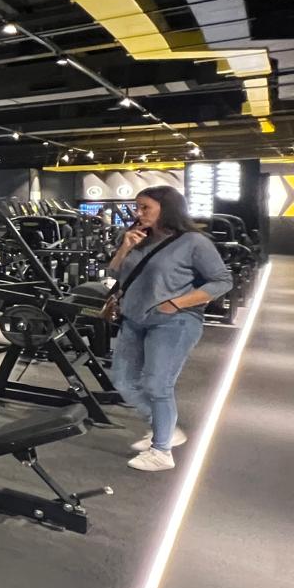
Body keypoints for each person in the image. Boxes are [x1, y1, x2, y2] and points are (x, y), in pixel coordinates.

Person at [104, 185, 232, 471]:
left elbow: (223, 281)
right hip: (134, 318)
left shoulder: (193, 242)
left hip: (174, 322)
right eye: (137, 207)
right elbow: (114, 273)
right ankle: (166, 427)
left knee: (157, 384)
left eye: (145, 207)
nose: (139, 213)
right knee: (123, 381)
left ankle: (162, 451)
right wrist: (125, 248)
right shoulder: (139, 238)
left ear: (167, 209)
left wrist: (177, 303)